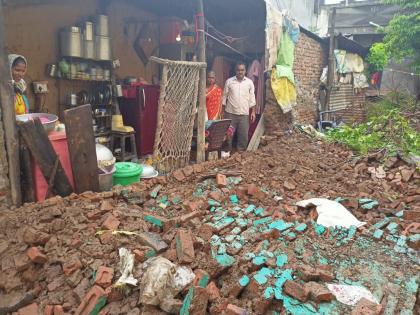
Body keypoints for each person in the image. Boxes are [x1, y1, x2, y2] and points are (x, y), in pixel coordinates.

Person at [222, 61, 256, 152]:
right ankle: (227, 154)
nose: (240, 72)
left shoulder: (249, 83)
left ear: (245, 71)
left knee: (243, 136)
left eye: (242, 70)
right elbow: (224, 97)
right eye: (238, 70)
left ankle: (241, 155)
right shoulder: (229, 81)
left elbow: (252, 98)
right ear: (235, 70)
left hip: (244, 114)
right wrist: (222, 112)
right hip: (230, 114)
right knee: (228, 136)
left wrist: (253, 112)